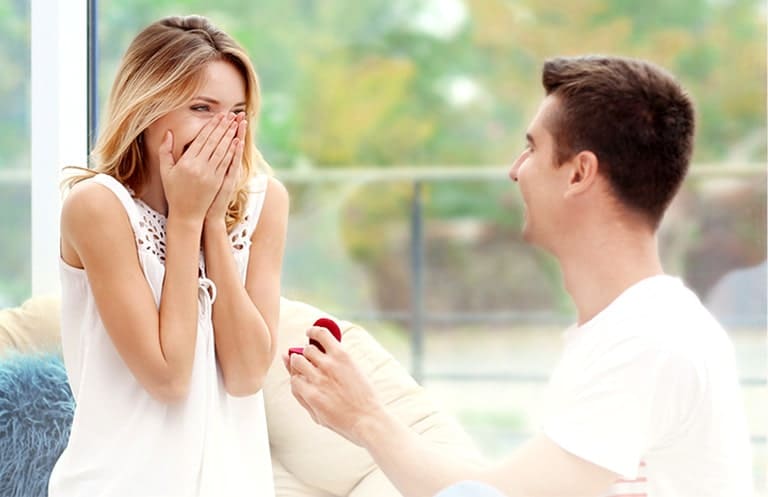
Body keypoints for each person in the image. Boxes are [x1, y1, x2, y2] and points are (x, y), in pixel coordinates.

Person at [286, 56, 754, 497]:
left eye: (531, 148)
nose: (515, 171)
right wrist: (362, 417)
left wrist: (366, 416)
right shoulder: (630, 328)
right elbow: (497, 486)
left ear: (578, 174)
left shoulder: (649, 339)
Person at [49, 15, 288, 497]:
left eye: (237, 111)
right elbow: (168, 377)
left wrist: (212, 224)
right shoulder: (97, 207)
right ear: (148, 110)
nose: (225, 128)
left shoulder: (267, 202)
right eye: (202, 107)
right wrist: (184, 220)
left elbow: (245, 376)